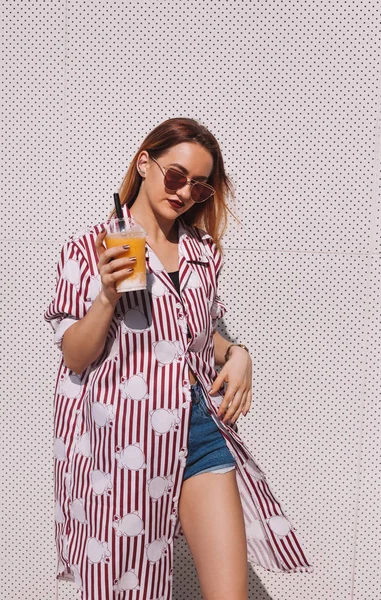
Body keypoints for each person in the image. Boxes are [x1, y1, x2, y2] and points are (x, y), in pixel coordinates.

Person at [44, 117, 313, 600]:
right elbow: (75, 355)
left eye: (199, 186)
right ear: (145, 163)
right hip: (124, 440)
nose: (185, 192)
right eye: (176, 176)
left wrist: (238, 353)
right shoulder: (87, 250)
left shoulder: (202, 253)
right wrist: (106, 295)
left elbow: (196, 336)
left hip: (199, 429)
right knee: (128, 591)